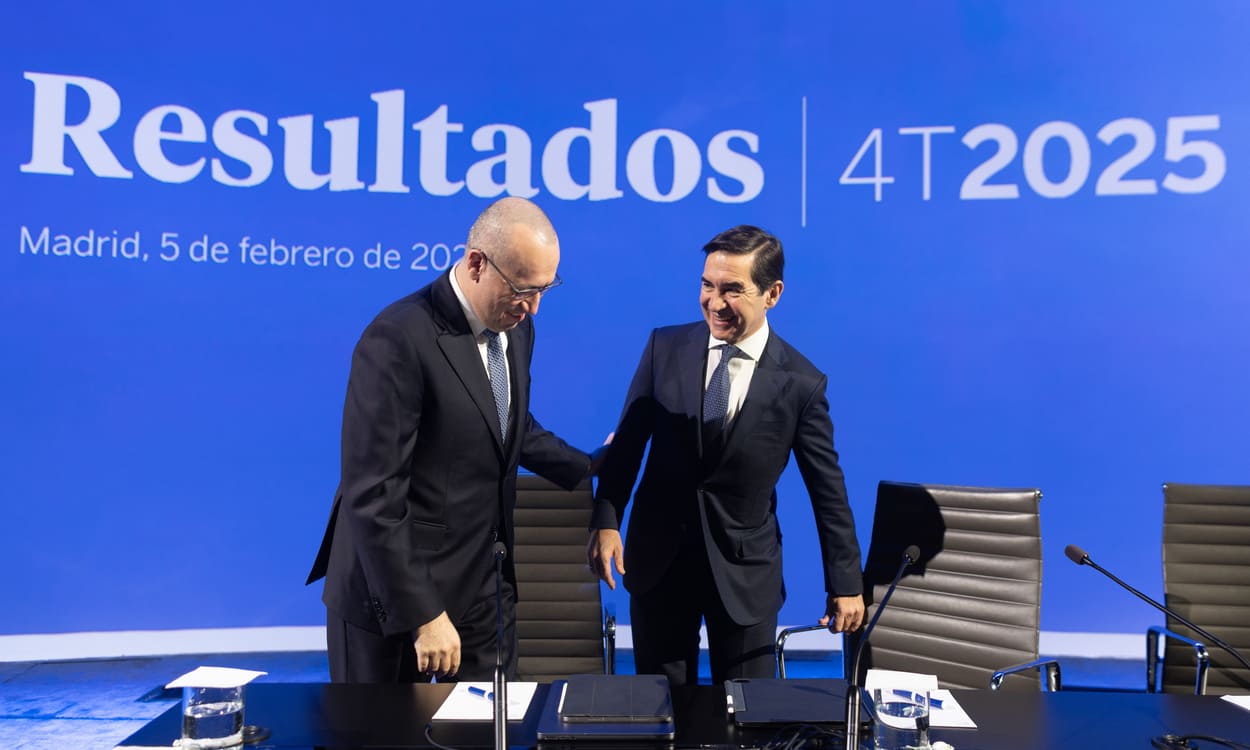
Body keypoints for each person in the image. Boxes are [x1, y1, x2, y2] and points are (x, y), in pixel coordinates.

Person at [308, 196, 602, 683]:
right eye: (523, 290)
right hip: (396, 600)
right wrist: (423, 613)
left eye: (546, 290)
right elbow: (373, 495)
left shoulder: (516, 328)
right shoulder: (397, 339)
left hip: (484, 585)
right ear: (476, 263)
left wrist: (589, 467)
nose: (533, 308)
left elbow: (506, 422)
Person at [587, 224, 865, 686]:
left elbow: (828, 491)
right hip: (660, 566)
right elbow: (629, 444)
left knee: (747, 719)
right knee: (660, 714)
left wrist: (846, 584)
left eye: (733, 290)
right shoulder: (664, 348)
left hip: (744, 578)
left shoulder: (801, 383)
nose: (715, 303)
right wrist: (606, 518)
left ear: (772, 294)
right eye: (707, 285)